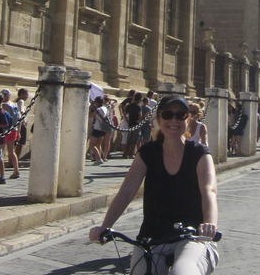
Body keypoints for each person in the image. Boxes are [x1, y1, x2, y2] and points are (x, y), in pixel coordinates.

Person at [88, 95, 219, 275]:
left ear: (187, 119)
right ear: (158, 119)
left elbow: (209, 192)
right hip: (152, 238)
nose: (173, 120)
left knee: (183, 272)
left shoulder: (199, 153)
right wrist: (105, 226)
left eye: (180, 115)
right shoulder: (147, 153)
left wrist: (209, 224)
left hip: (193, 237)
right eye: (167, 114)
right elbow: (126, 192)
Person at [0, 89, 21, 179]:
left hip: (6, 130)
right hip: (14, 129)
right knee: (11, 151)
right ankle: (16, 170)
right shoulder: (14, 104)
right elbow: (19, 119)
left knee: (1, 151)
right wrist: (19, 132)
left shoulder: (4, 106)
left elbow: (4, 119)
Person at [14, 88, 29, 161]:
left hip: (18, 124)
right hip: (21, 124)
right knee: (20, 144)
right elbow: (21, 111)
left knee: (17, 144)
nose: (27, 96)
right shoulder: (21, 101)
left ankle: (13, 160)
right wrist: (23, 121)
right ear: (22, 94)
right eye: (26, 94)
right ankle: (15, 160)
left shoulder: (17, 101)